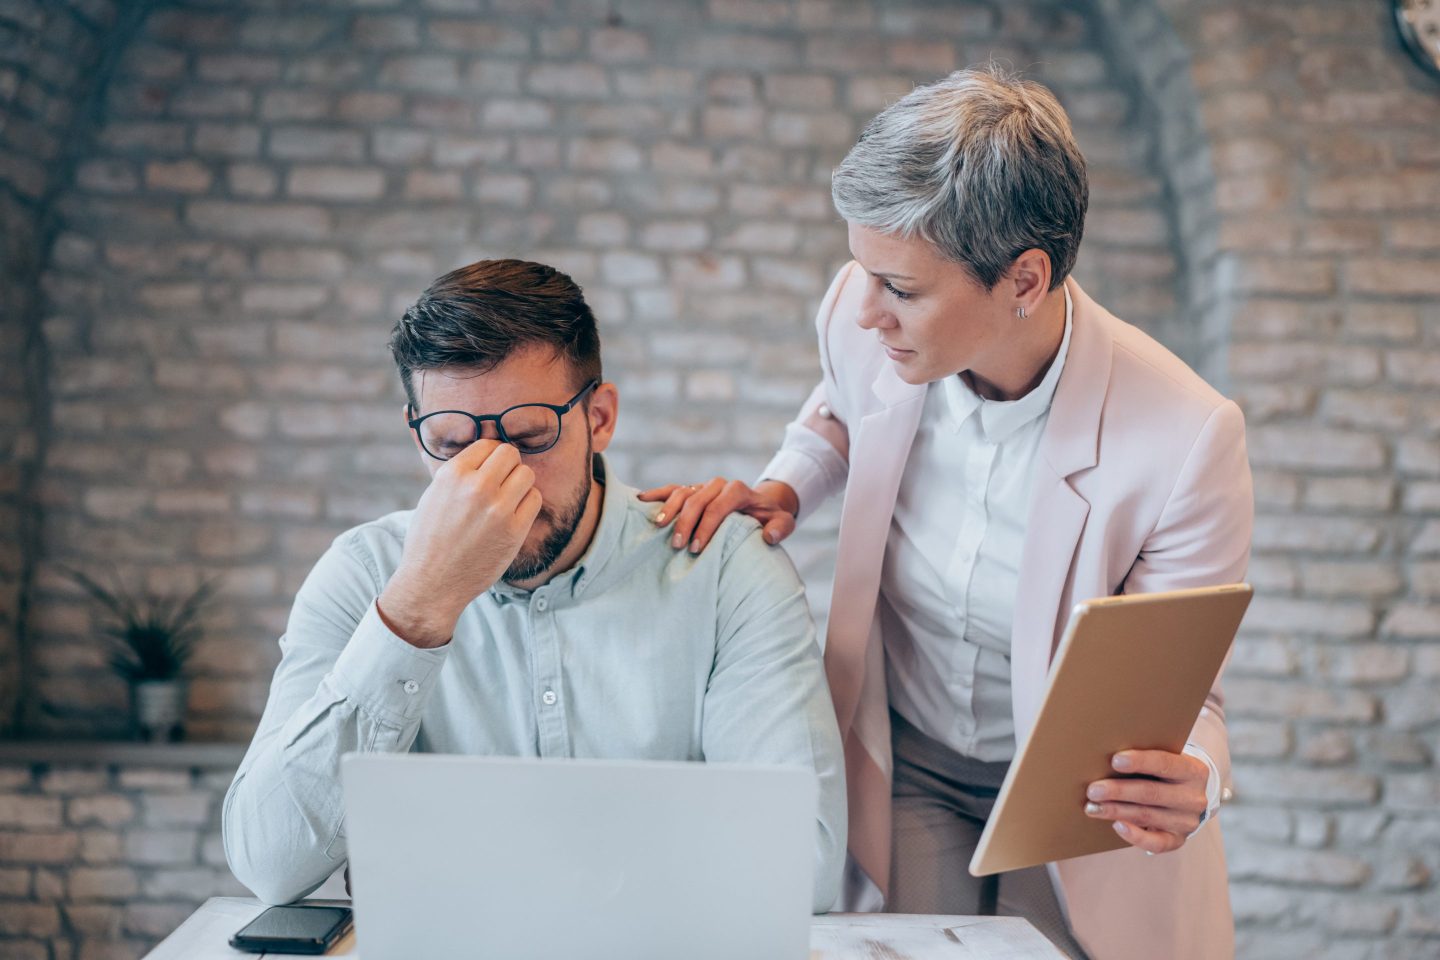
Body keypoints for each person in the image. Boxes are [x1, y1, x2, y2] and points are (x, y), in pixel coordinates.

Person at [641, 67, 1252, 960]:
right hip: (910, 756)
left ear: (1024, 280)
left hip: (1072, 790)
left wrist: (1199, 778)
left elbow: (1185, 682)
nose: (863, 309)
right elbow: (838, 411)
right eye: (861, 270)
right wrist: (786, 486)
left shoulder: (1187, 435)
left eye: (900, 288)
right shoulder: (861, 317)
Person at [223, 259, 846, 913]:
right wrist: (417, 609)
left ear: (599, 418)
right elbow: (270, 863)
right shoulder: (363, 576)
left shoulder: (725, 568)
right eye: (451, 442)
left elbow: (802, 867)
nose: (498, 481)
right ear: (416, 433)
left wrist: (436, 861)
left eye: (529, 436)